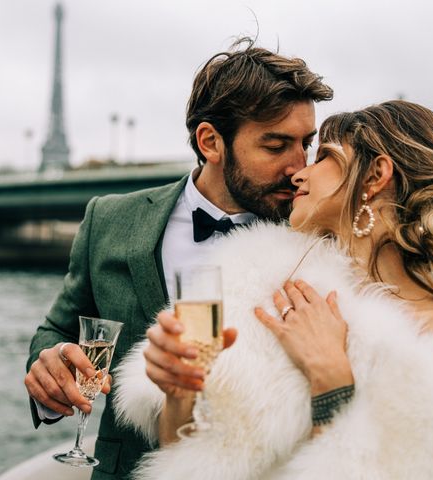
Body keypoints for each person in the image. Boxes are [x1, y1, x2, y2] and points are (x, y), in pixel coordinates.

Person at [115, 100, 433, 479]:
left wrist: (331, 381)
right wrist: (179, 393)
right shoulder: (264, 280)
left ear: (375, 175)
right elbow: (181, 454)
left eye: (324, 157)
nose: (299, 173)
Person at [23, 38, 333, 479]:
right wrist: (49, 364)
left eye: (306, 143)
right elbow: (59, 327)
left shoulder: (314, 238)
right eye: (276, 145)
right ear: (210, 141)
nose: (298, 166)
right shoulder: (109, 219)